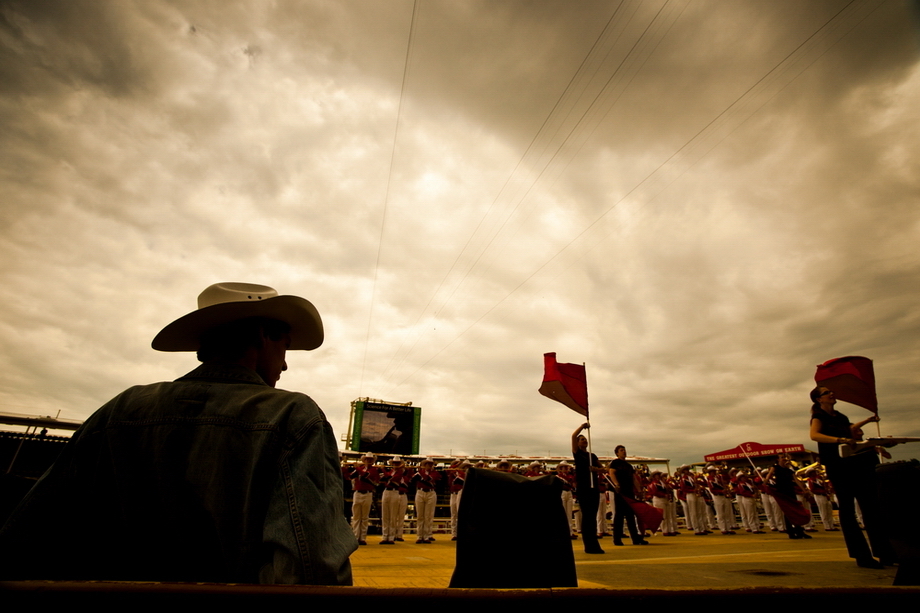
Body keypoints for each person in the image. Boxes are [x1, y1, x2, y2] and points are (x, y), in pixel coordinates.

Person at [0, 282, 356, 584]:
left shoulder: (117, 411)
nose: (285, 363)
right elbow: (310, 565)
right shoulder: (292, 416)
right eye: (285, 346)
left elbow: (27, 538)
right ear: (264, 336)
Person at [809, 386, 891, 568]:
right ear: (819, 399)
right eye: (826, 393)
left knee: (871, 509)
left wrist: (868, 421)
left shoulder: (841, 416)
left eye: (831, 391)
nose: (832, 393)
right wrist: (839, 440)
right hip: (837, 466)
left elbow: (849, 429)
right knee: (847, 511)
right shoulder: (818, 417)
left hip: (855, 464)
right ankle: (861, 555)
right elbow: (815, 435)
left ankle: (884, 552)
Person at [572, 422, 605, 554]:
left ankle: (594, 544)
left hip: (594, 487)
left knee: (592, 515)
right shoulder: (577, 453)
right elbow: (573, 436)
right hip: (584, 486)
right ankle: (589, 545)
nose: (584, 441)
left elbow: (604, 469)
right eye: (582, 439)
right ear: (578, 442)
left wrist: (596, 469)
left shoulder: (592, 456)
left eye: (585, 439)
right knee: (587, 516)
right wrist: (582, 427)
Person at [608, 445, 647, 545]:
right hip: (620, 491)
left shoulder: (629, 466)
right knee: (619, 516)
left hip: (629, 492)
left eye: (624, 450)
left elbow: (634, 478)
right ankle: (617, 539)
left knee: (631, 515)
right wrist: (616, 484)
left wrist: (639, 490)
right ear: (617, 453)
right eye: (621, 450)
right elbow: (611, 473)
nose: (624, 452)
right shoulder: (615, 462)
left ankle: (635, 538)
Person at [349, 452, 381, 545]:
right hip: (357, 492)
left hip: (367, 493)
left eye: (370, 460)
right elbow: (350, 476)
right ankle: (355, 536)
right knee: (356, 516)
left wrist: (357, 469)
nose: (368, 461)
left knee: (364, 517)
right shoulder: (360, 469)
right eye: (367, 459)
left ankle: (362, 537)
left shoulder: (374, 470)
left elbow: (366, 476)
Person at [412, 457, 440, 544]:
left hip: (431, 493)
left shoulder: (435, 473)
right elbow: (412, 479)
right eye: (427, 464)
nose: (428, 466)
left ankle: (427, 535)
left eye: (430, 464)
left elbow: (429, 479)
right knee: (420, 515)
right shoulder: (419, 472)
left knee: (428, 516)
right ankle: (420, 536)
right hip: (420, 491)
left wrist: (420, 472)